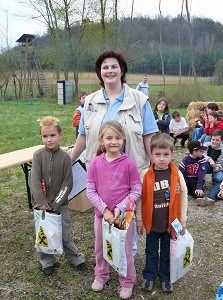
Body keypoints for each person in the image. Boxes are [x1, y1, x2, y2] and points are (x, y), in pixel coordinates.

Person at [70, 50, 158, 255]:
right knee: (104, 213)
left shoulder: (139, 100)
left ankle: (128, 255)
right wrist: (69, 159)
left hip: (130, 170)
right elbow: (83, 136)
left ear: (122, 70)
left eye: (114, 66)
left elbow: (149, 136)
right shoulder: (90, 102)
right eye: (105, 67)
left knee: (128, 210)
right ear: (99, 73)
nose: (109, 70)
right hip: (101, 172)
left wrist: (156, 165)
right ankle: (106, 255)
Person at [86, 121, 142, 300]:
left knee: (124, 249)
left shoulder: (129, 164)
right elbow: (90, 190)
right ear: (101, 140)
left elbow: (136, 190)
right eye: (109, 138)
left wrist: (120, 207)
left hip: (123, 216)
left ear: (123, 139)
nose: (113, 142)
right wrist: (104, 209)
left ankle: (127, 280)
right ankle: (101, 275)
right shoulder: (95, 163)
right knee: (101, 247)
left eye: (118, 138)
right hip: (101, 216)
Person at [29, 116, 87, 275]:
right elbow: (34, 179)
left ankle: (75, 257)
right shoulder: (37, 156)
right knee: (44, 233)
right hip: (41, 206)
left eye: (52, 135)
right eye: (45, 136)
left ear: (60, 135)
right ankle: (47, 260)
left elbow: (67, 183)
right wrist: (41, 201)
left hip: (60, 205)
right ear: (41, 137)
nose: (49, 139)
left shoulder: (65, 158)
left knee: (65, 233)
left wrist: (56, 203)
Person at [140, 133, 188, 294]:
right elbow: (140, 199)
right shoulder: (145, 175)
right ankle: (150, 276)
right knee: (151, 251)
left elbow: (183, 197)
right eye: (157, 154)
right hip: (152, 223)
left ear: (172, 154)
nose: (161, 159)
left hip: (170, 225)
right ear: (151, 154)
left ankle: (166, 277)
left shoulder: (177, 175)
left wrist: (183, 221)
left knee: (168, 253)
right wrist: (139, 220)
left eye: (166, 154)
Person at [179, 141, 215, 206]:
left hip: (195, 182)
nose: (203, 152)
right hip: (186, 181)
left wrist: (199, 187)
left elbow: (201, 174)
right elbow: (180, 174)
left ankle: (203, 201)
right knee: (180, 192)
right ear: (194, 152)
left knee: (199, 194)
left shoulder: (202, 159)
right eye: (201, 151)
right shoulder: (185, 160)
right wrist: (180, 185)